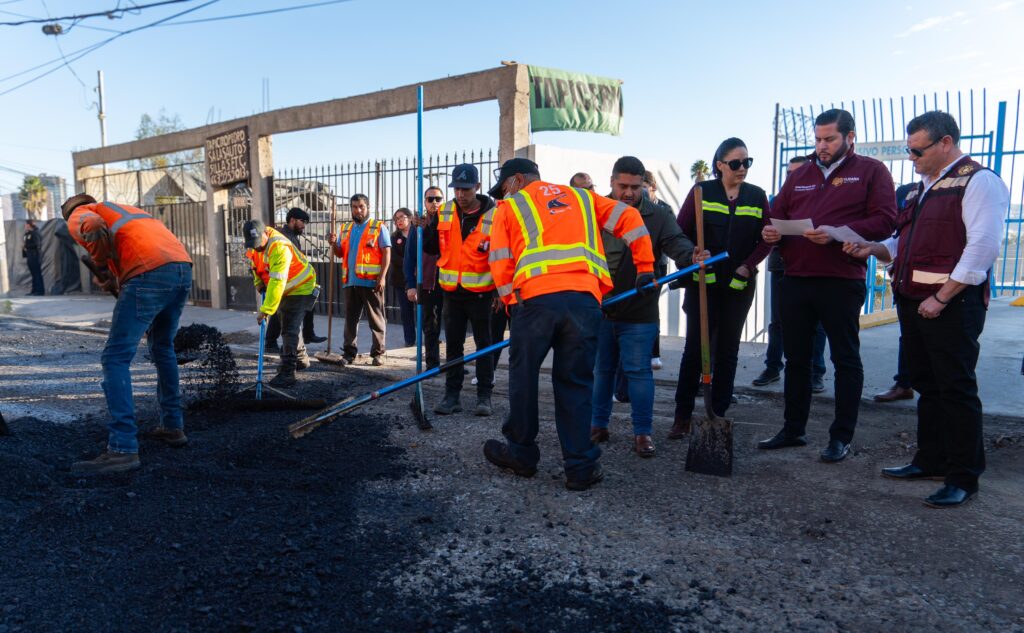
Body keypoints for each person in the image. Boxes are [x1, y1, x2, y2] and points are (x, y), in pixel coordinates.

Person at [843, 111, 1008, 507]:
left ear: (946, 143)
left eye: (917, 150)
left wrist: (943, 297)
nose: (911, 157)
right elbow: (903, 245)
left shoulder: (978, 181)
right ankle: (931, 460)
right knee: (927, 385)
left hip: (952, 304)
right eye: (908, 150)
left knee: (956, 387)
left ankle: (964, 476)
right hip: (915, 300)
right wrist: (874, 249)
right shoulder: (920, 189)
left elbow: (982, 249)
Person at [483, 158, 655, 491]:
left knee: (523, 376)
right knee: (575, 381)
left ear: (517, 179)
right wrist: (645, 265)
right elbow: (629, 216)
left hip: (535, 300)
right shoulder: (582, 197)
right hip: (584, 300)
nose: (503, 194)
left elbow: (501, 261)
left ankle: (521, 453)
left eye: (504, 187)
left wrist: (511, 305)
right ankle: (580, 467)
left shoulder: (510, 206)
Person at [759, 109, 897, 463]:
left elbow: (885, 220)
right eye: (818, 139)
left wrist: (837, 233)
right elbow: (778, 212)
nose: (821, 146)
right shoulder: (801, 174)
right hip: (796, 279)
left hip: (841, 280)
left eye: (829, 139)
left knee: (845, 359)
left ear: (850, 137)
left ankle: (841, 437)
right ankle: (793, 430)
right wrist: (773, 231)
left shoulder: (871, 171)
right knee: (797, 360)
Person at [62, 194, 193, 473]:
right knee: (163, 348)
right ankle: (173, 426)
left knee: (115, 357)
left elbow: (93, 228)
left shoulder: (81, 213)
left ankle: (122, 448)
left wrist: (98, 264)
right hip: (180, 268)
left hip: (148, 273)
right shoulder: (124, 211)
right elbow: (130, 249)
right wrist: (112, 276)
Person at [591, 156, 701, 457]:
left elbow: (676, 242)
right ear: (611, 181)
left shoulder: (658, 215)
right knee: (601, 371)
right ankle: (597, 425)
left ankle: (642, 433)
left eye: (635, 187)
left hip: (639, 308)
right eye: (622, 185)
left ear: (644, 185)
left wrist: (691, 255)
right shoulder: (593, 211)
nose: (628, 193)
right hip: (599, 307)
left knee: (638, 372)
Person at [672, 138, 772, 437]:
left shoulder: (756, 196)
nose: (742, 168)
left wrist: (748, 265)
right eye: (736, 163)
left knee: (728, 350)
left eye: (747, 163)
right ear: (720, 165)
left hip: (739, 284)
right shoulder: (701, 192)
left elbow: (766, 238)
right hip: (704, 283)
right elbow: (680, 231)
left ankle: (719, 413)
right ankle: (683, 414)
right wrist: (693, 254)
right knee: (695, 349)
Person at [422, 164, 497, 417]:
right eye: (457, 189)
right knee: (453, 346)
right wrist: (428, 225)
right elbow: (432, 248)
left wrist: (499, 291)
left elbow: (502, 256)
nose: (461, 194)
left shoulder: (494, 214)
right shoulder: (444, 212)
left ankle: (484, 397)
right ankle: (451, 396)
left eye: (466, 189)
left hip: (482, 293)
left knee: (484, 345)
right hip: (451, 291)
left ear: (477, 187)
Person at [753, 156, 828, 393]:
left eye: (797, 172)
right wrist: (770, 234)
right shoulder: (777, 200)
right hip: (781, 266)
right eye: (788, 172)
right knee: (778, 321)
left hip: (811, 267)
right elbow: (766, 230)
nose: (792, 177)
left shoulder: (821, 200)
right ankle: (773, 367)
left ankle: (816, 372)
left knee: (816, 324)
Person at [245, 219, 318, 387]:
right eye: (252, 244)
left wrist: (266, 310)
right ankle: (300, 359)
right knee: (288, 323)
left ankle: (288, 372)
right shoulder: (254, 245)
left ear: (266, 233)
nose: (256, 246)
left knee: (289, 328)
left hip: (301, 286)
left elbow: (278, 281)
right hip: (285, 287)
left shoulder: (279, 246)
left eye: (258, 242)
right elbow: (254, 265)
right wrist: (258, 282)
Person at [329, 194, 391, 366]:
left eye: (361, 206)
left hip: (372, 282)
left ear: (368, 207)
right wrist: (333, 244)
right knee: (350, 320)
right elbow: (340, 253)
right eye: (355, 207)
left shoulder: (378, 227)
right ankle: (349, 353)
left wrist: (382, 277)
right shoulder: (345, 228)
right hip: (351, 282)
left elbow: (386, 252)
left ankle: (378, 353)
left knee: (376, 319)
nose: (358, 210)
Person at [873, 182, 919, 402]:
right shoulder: (906, 192)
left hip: (946, 281)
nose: (913, 157)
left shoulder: (968, 183)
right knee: (909, 334)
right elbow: (895, 233)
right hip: (906, 277)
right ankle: (904, 383)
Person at [265, 208, 326, 352]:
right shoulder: (284, 236)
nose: (304, 225)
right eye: (302, 222)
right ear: (292, 220)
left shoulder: (292, 236)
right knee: (278, 312)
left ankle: (308, 334)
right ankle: (270, 342)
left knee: (309, 302)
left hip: (294, 282)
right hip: (283, 281)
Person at [405, 187, 445, 369]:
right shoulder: (417, 225)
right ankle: (432, 363)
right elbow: (410, 256)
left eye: (438, 198)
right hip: (427, 280)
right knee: (430, 325)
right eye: (430, 199)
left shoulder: (448, 220)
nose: (434, 202)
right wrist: (411, 285)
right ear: (424, 202)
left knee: (453, 326)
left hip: (448, 278)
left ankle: (453, 363)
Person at [643, 169, 673, 370]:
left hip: (658, 265)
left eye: (644, 188)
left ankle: (654, 353)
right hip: (639, 263)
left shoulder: (664, 209)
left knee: (651, 308)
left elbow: (670, 237)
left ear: (653, 188)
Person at [390, 208, 416, 347]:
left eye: (401, 217)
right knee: (406, 311)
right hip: (400, 279)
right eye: (396, 219)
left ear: (410, 217)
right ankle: (410, 339)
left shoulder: (418, 233)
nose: (399, 220)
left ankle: (431, 337)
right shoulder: (394, 237)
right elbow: (394, 258)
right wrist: (410, 265)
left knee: (426, 311)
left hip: (419, 277)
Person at [22, 219, 45, 296]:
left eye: (26, 224)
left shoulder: (35, 233)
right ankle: (34, 290)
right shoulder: (28, 234)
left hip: (35, 256)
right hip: (30, 256)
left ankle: (40, 291)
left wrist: (26, 246)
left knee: (37, 273)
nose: (25, 226)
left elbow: (37, 245)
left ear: (29, 225)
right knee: (33, 274)